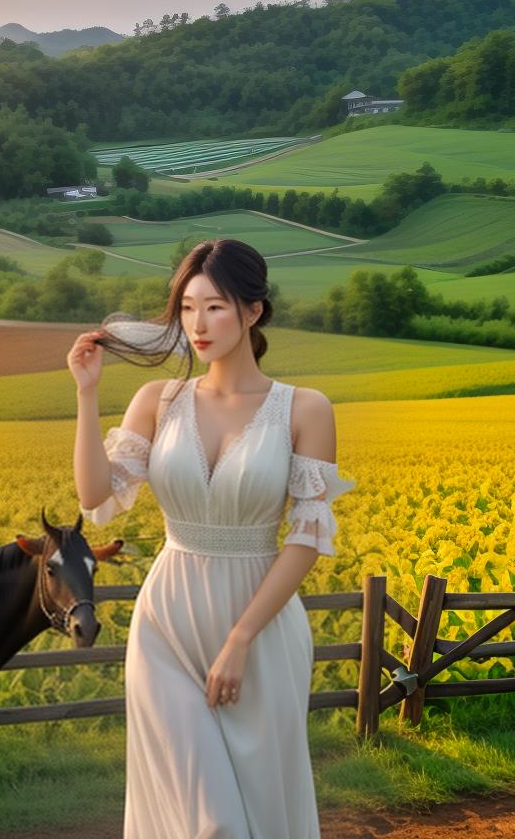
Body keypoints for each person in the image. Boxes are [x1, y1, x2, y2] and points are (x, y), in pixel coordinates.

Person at [66, 238, 355, 839]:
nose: (198, 325)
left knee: (261, 808)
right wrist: (87, 392)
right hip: (167, 624)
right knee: (207, 821)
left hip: (262, 629)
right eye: (188, 308)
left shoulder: (306, 409)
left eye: (216, 307)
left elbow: (305, 537)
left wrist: (241, 639)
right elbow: (95, 497)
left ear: (253, 311)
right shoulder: (159, 400)